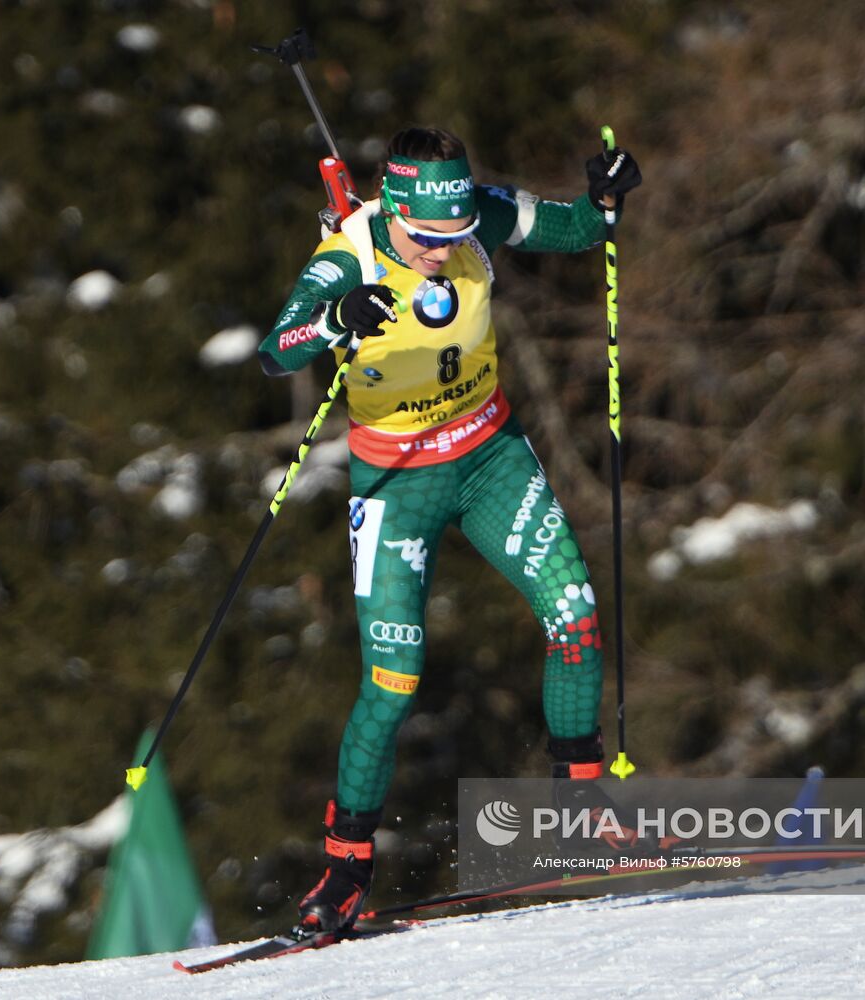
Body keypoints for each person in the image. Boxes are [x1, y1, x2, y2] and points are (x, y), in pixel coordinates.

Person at [258, 126, 642, 933]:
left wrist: (606, 196)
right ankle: (344, 870)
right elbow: (276, 348)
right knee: (393, 680)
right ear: (393, 209)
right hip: (397, 485)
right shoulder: (349, 256)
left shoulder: (474, 216)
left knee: (573, 614)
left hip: (488, 458)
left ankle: (582, 799)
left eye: (456, 233)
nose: (444, 249)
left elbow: (576, 228)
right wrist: (336, 316)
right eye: (427, 237)